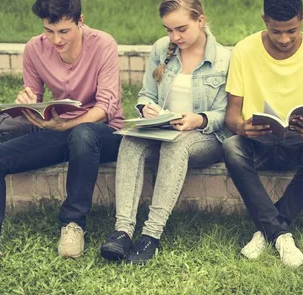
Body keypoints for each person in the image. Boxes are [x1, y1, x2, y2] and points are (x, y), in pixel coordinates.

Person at [0, 0, 124, 267]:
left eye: (64, 31)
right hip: (61, 130)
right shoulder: (34, 48)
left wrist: (65, 125)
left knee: (83, 134)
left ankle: (72, 224)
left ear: (80, 20)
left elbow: (106, 107)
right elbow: (35, 99)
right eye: (49, 31)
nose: (56, 40)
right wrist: (27, 102)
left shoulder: (103, 44)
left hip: (104, 133)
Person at [99, 0, 231, 265]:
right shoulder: (161, 48)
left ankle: (151, 234)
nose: (174, 37)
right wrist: (146, 108)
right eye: (169, 30)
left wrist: (199, 119)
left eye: (181, 29)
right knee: (131, 140)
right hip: (162, 129)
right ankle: (122, 231)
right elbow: (146, 93)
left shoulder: (224, 58)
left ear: (200, 20)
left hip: (205, 137)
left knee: (177, 145)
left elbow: (226, 115)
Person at [222, 0, 303, 268]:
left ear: (302, 19)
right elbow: (231, 115)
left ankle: (268, 230)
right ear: (265, 21)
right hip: (258, 141)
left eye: (292, 30)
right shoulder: (244, 50)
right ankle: (281, 233)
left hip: (299, 143)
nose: (284, 39)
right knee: (230, 146)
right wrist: (241, 127)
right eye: (276, 31)